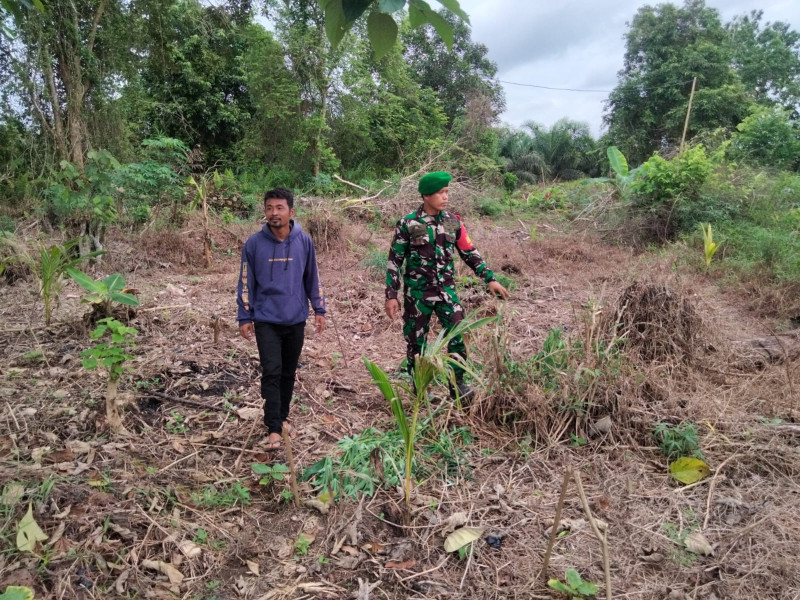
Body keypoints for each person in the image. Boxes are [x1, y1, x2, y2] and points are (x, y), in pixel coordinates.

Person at [385, 171, 509, 399]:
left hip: (446, 292)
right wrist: (391, 295)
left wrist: (489, 278)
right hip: (418, 295)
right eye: (440, 192)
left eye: (446, 192)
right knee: (416, 343)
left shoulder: (453, 222)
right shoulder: (408, 223)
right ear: (426, 195)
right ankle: (420, 388)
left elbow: (469, 253)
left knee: (459, 335)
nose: (445, 197)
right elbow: (395, 260)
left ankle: (457, 384)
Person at [237, 187, 326, 451]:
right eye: (269, 208)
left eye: (279, 208)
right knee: (272, 371)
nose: (273, 213)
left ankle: (283, 417)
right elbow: (245, 282)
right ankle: (274, 427)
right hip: (266, 319)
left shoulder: (304, 241)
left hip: (295, 318)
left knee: (288, 372)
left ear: (291, 212)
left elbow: (313, 277)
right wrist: (245, 315)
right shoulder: (254, 244)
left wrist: (319, 309)